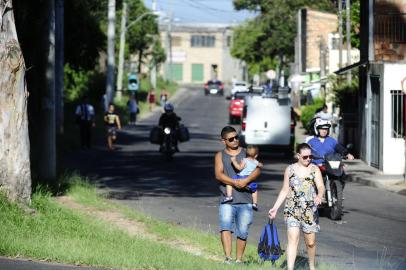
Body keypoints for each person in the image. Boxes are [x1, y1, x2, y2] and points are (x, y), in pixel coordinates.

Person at [268, 143, 325, 270]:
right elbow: (284, 190)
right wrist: (275, 208)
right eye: (305, 157)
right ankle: (290, 268)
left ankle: (311, 266)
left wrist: (319, 195)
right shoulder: (290, 170)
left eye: (310, 156)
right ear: (298, 156)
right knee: (293, 239)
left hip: (309, 210)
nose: (308, 159)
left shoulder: (314, 169)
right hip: (292, 209)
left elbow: (321, 186)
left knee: (310, 243)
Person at [214, 126, 261, 264]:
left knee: (243, 231)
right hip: (227, 199)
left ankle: (239, 260)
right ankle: (228, 258)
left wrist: (246, 180)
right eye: (231, 139)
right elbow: (219, 174)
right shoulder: (220, 155)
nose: (235, 140)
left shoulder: (247, 153)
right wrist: (235, 182)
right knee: (226, 227)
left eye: (236, 137)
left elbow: (257, 170)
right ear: (223, 141)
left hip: (246, 199)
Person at [222, 145, 263, 211]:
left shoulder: (245, 160)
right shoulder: (256, 162)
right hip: (249, 180)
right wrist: (259, 164)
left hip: (241, 177)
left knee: (229, 183)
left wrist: (234, 161)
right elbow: (261, 166)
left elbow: (239, 168)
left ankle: (229, 196)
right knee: (254, 190)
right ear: (256, 155)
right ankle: (255, 203)